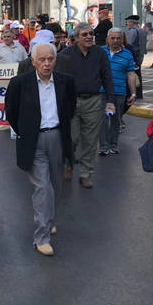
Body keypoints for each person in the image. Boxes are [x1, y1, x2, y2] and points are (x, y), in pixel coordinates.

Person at [5, 43, 76, 256]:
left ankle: (49, 218)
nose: (47, 63)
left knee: (56, 184)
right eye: (42, 59)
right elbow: (12, 112)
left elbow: (70, 109)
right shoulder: (20, 83)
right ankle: (41, 236)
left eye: (50, 59)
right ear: (33, 61)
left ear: (55, 60)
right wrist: (27, 133)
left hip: (57, 137)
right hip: (33, 140)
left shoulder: (66, 82)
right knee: (42, 187)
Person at [60, 22, 115, 188]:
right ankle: (68, 165)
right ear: (76, 38)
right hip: (71, 101)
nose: (89, 37)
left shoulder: (100, 54)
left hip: (93, 100)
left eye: (91, 33)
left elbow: (107, 78)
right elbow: (60, 80)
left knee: (91, 141)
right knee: (72, 138)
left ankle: (85, 173)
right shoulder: (66, 54)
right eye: (84, 34)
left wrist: (110, 101)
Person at [99, 28, 137, 156]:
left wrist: (133, 93)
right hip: (102, 92)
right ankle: (104, 146)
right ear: (108, 39)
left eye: (118, 38)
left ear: (122, 39)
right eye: (113, 38)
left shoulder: (127, 54)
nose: (115, 41)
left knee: (115, 119)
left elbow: (131, 74)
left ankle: (113, 145)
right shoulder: (100, 51)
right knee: (103, 119)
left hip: (119, 92)